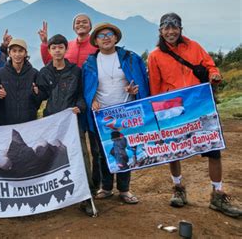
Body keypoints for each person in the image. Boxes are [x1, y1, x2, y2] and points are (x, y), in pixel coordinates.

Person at [147, 12, 241, 218]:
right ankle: (178, 189)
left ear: (180, 29)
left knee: (213, 148)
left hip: (200, 105)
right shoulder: (155, 55)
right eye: (166, 28)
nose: (170, 32)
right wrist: (157, 112)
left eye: (174, 28)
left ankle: (217, 194)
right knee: (175, 150)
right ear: (160, 31)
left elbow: (210, 66)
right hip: (173, 109)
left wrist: (214, 76)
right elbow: (155, 86)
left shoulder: (194, 47)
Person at [82, 22, 149, 205]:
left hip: (125, 112)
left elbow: (140, 81)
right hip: (101, 114)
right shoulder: (90, 62)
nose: (106, 38)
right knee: (104, 152)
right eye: (101, 35)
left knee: (124, 150)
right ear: (95, 40)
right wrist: (91, 101)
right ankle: (106, 187)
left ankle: (125, 189)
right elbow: (86, 88)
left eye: (109, 34)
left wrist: (134, 91)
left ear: (116, 37)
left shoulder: (129, 58)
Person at [35, 34, 95, 215]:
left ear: (65, 49)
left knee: (81, 157)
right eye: (54, 48)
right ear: (50, 50)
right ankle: (52, 195)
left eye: (61, 47)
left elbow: (81, 95)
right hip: (52, 122)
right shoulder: (44, 73)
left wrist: (79, 107)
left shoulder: (75, 71)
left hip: (72, 121)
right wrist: (35, 92)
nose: (57, 50)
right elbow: (41, 97)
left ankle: (87, 197)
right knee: (52, 158)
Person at [0, 39, 41, 125]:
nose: (17, 54)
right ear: (9, 53)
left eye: (20, 51)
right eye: (14, 51)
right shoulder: (0, 73)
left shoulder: (34, 73)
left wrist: (37, 93)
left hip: (29, 122)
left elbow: (41, 97)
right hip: (5, 123)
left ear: (25, 53)